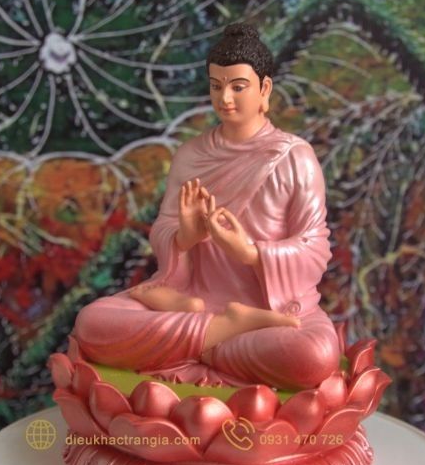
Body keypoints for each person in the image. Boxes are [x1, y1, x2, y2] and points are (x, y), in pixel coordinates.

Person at [72, 23, 340, 390]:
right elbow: (164, 231)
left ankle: (198, 344)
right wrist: (184, 236)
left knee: (314, 355)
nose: (225, 98)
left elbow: (315, 247)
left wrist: (249, 253)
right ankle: (221, 334)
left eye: (238, 87)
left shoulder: (295, 157)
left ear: (264, 89)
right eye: (216, 86)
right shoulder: (190, 155)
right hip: (194, 300)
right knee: (92, 323)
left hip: (267, 311)